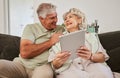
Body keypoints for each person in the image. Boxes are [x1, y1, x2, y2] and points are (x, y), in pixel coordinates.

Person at [0, 3, 65, 78]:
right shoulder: (31, 28)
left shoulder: (61, 30)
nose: (56, 20)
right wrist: (50, 42)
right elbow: (25, 52)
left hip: (43, 66)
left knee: (45, 75)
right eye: (51, 18)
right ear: (41, 18)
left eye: (56, 16)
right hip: (21, 65)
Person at [48, 8, 114, 78]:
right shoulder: (59, 40)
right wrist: (58, 62)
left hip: (92, 66)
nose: (67, 20)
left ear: (79, 20)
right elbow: (54, 65)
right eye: (65, 19)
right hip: (70, 70)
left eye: (70, 17)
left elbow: (102, 57)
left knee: (104, 74)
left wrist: (91, 56)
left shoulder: (91, 35)